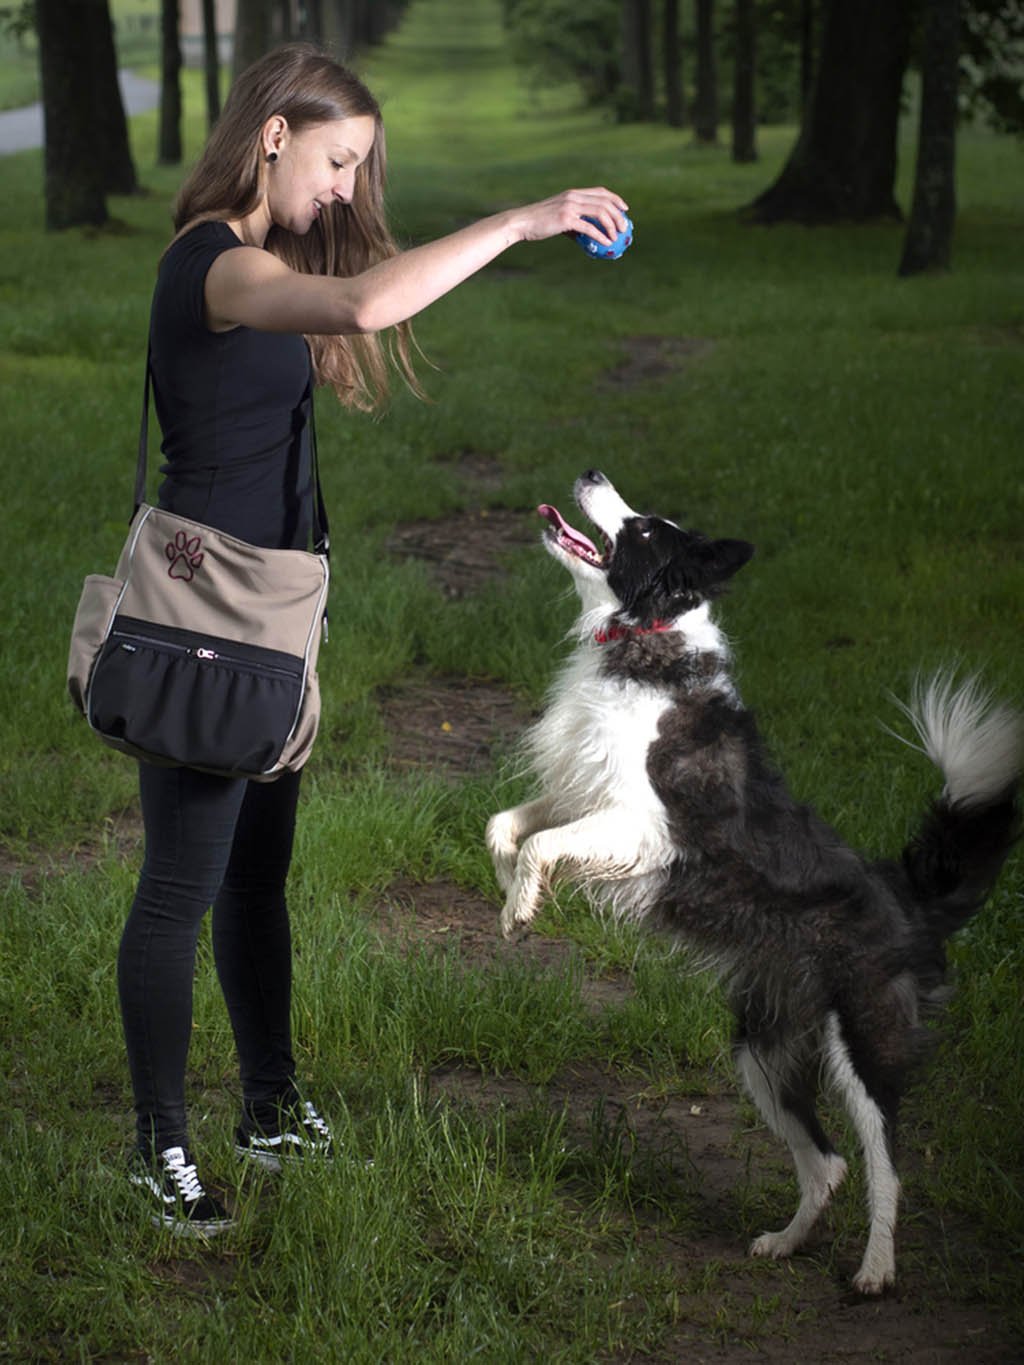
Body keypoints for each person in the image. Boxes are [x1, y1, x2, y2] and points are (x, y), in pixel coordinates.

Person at [120, 42, 628, 1237]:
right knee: (178, 889)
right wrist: (523, 220)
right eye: (338, 160)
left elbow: (348, 295)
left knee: (255, 879)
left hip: (272, 618)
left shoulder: (259, 260)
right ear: (275, 134)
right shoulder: (215, 266)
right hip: (210, 630)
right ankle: (159, 1148)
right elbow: (359, 301)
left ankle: (270, 1108)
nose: (347, 189)